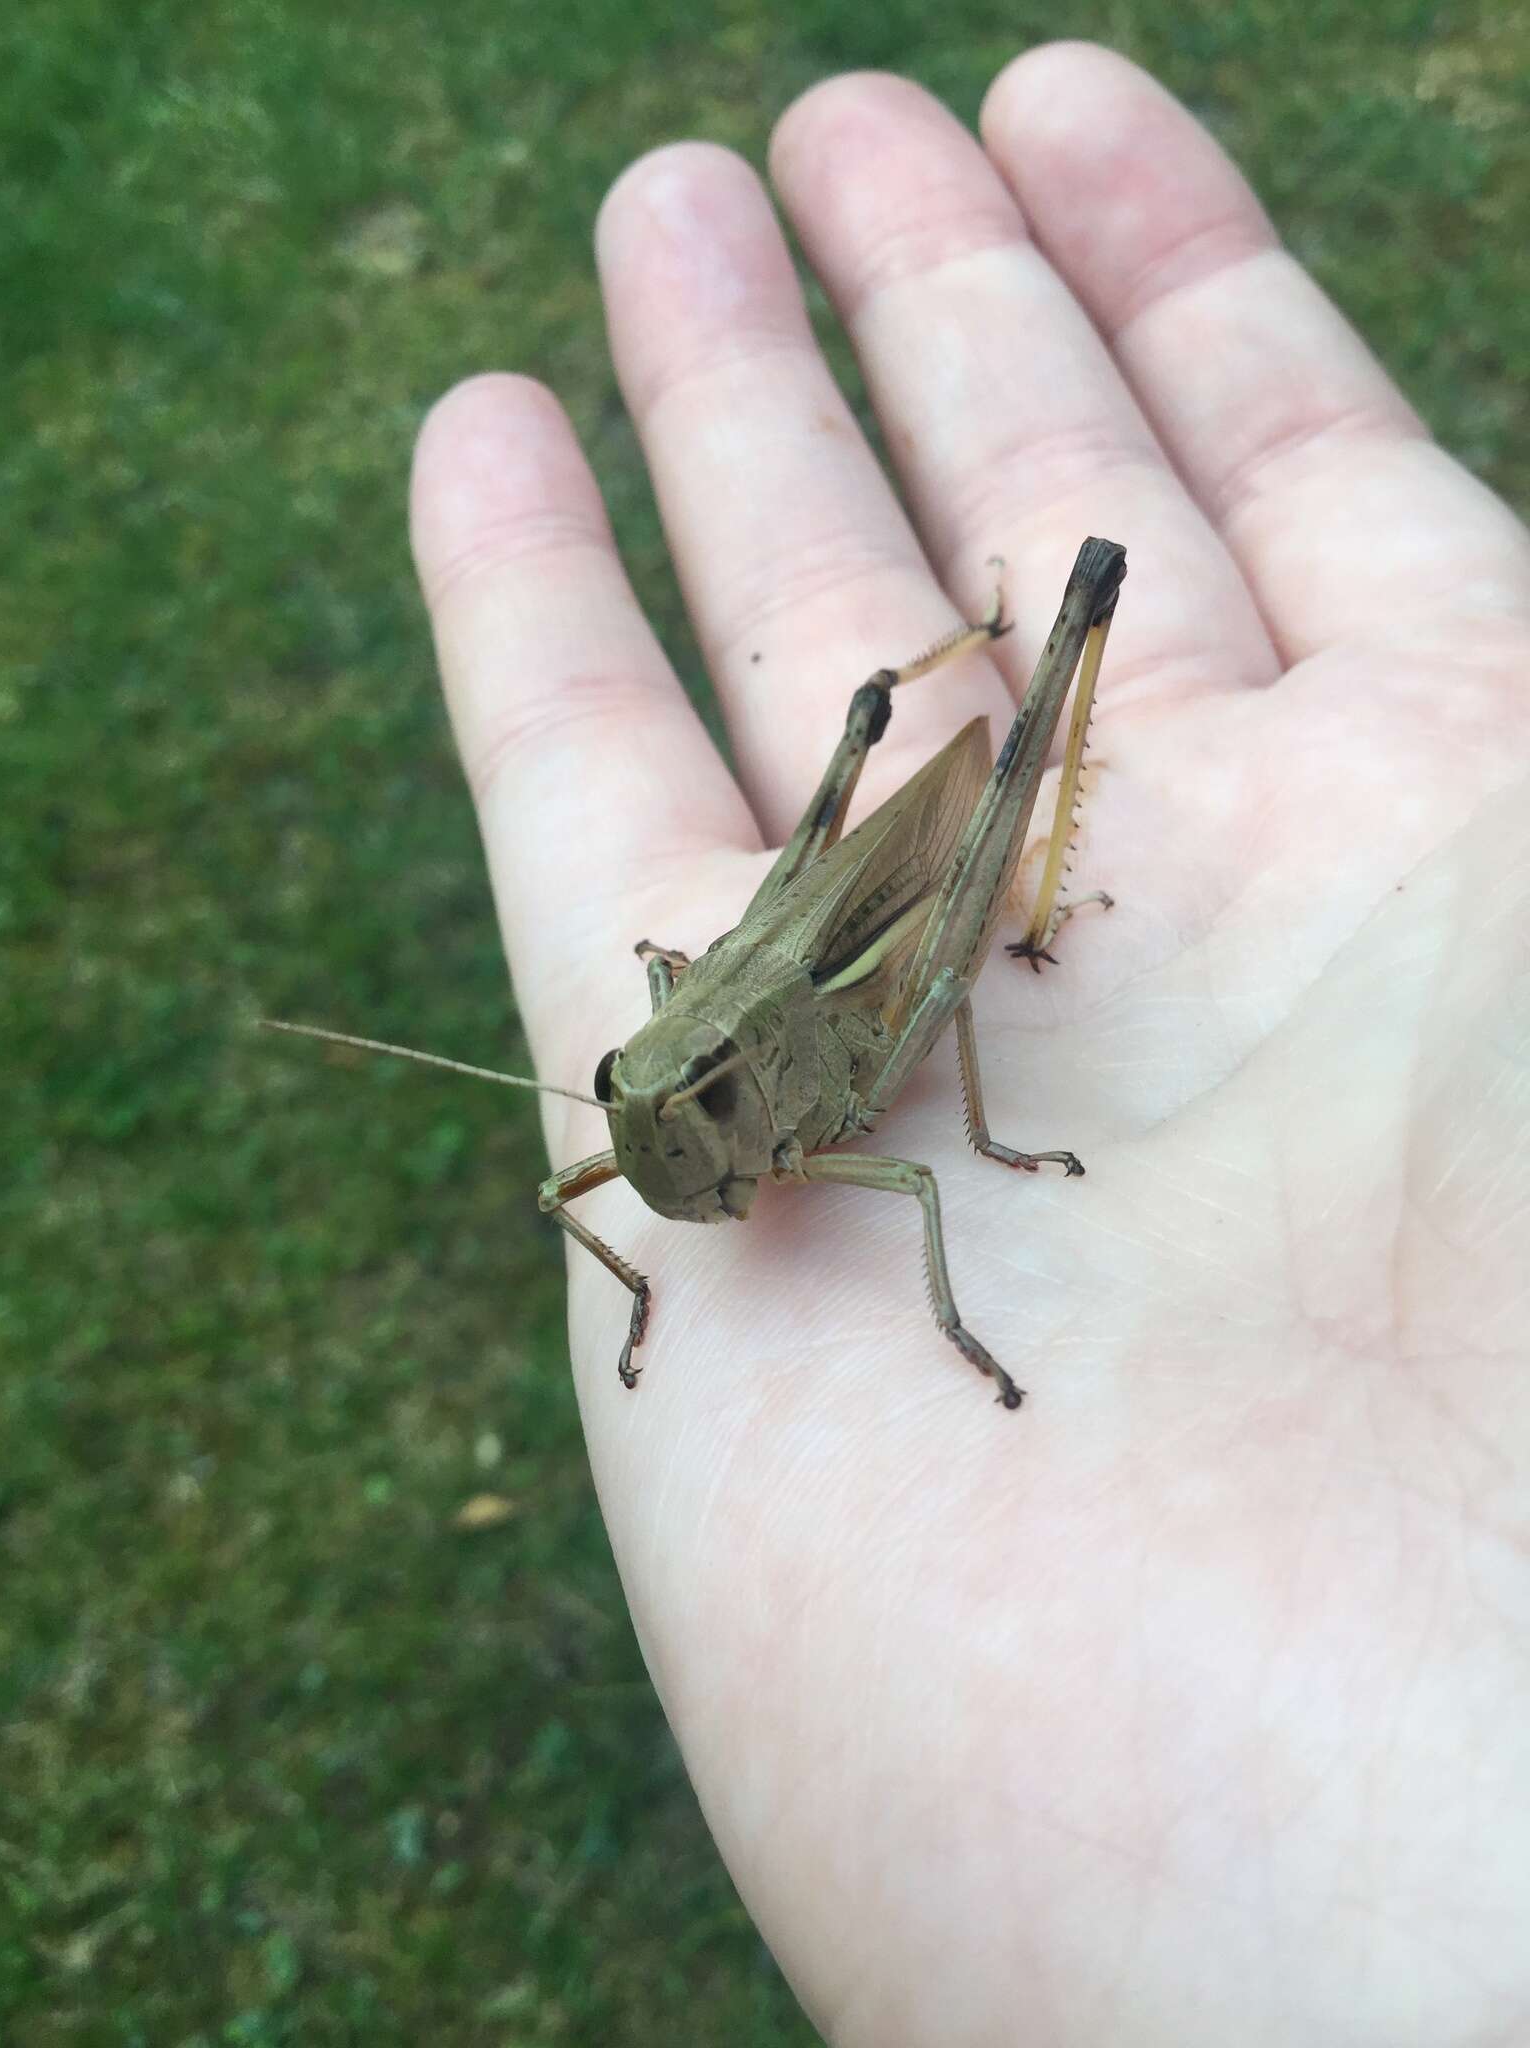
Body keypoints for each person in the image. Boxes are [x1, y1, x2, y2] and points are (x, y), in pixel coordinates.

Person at [409, 44, 1530, 2045]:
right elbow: (599, 1169)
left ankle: (1026, 678)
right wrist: (650, 1270)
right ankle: (976, 683)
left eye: (684, 1127)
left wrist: (989, 1143)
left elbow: (915, 1136)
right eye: (661, 1129)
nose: (675, 1166)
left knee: (941, 1101)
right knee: (677, 1040)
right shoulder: (646, 1145)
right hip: (782, 956)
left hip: (895, 958)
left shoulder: (824, 1131)